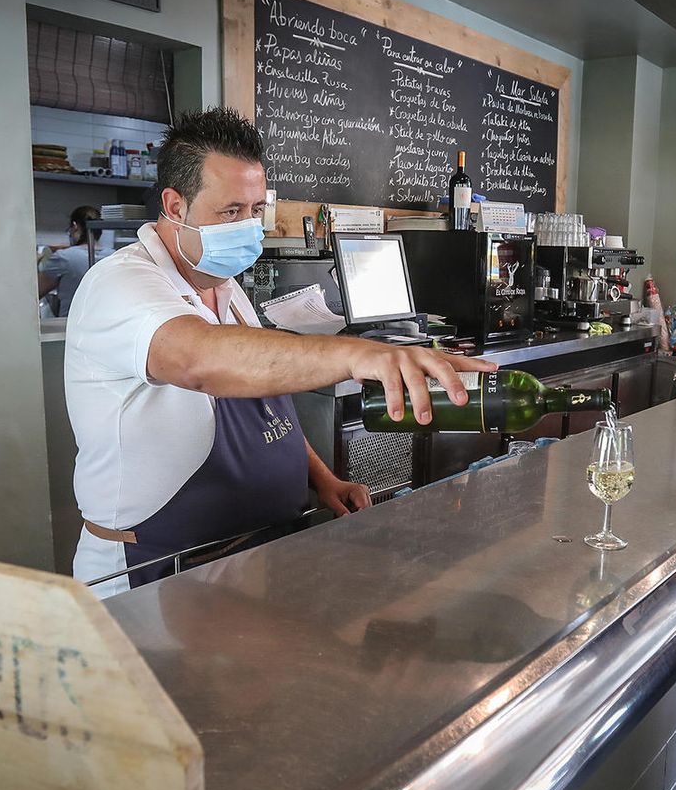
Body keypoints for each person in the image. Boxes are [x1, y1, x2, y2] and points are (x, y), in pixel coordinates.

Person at [65, 107, 494, 585]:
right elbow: (200, 360)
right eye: (231, 211)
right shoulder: (120, 283)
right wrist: (357, 354)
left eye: (254, 211)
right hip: (163, 567)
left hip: (255, 553)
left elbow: (266, 409)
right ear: (175, 205)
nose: (249, 227)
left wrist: (320, 477)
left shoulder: (225, 285)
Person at [38, 205, 103, 317]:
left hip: (71, 326)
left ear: (75, 226)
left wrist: (37, 259)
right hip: (106, 325)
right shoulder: (114, 255)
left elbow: (35, 293)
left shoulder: (63, 258)